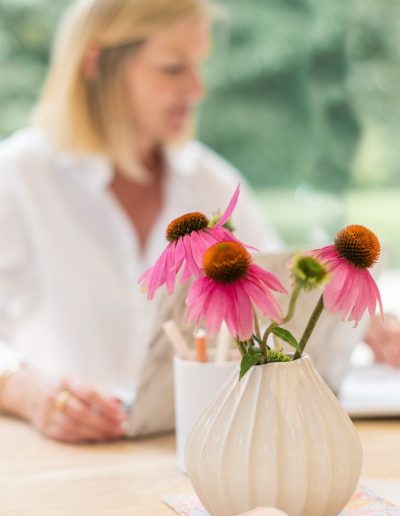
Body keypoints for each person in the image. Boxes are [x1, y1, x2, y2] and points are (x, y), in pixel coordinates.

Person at [0, 0, 282, 443]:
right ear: (98, 63)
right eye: (173, 68)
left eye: (198, 65)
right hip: (60, 469)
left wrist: (367, 328)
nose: (197, 88)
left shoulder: (211, 183)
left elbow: (280, 300)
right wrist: (23, 389)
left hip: (194, 459)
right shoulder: (17, 177)